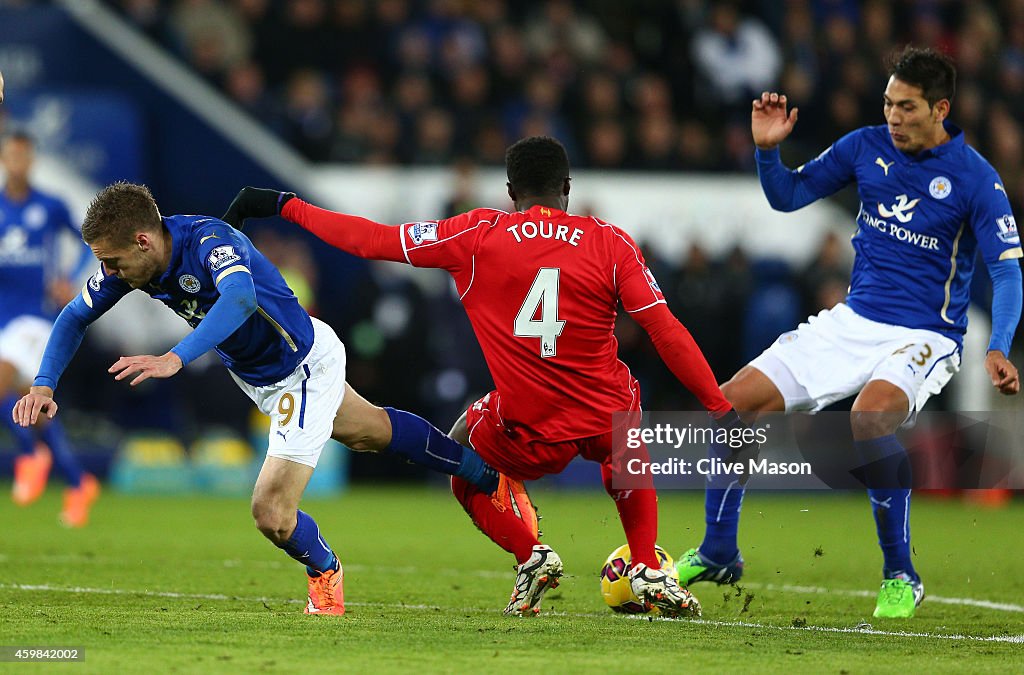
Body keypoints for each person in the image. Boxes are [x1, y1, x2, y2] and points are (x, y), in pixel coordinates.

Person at [221, 136, 745, 618]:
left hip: (528, 423)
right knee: (623, 415)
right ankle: (648, 568)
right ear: (567, 188)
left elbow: (371, 241)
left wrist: (286, 204)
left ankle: (530, 554)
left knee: (462, 455)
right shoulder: (611, 243)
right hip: (602, 415)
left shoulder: (477, 234)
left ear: (511, 191)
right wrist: (719, 408)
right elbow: (664, 329)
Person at [12, 182, 501, 616]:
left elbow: (240, 298)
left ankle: (325, 573)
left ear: (142, 240)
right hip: (259, 376)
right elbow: (75, 316)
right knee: (372, 431)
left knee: (271, 512)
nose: (107, 270)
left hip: (300, 367)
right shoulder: (132, 265)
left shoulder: (208, 240)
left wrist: (176, 358)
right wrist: (43, 384)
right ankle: (484, 473)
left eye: (111, 260)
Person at [674, 46, 1022, 619]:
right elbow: (787, 196)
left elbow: (1007, 270)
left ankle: (901, 575)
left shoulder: (976, 179)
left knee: (869, 418)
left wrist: (999, 345)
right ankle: (717, 551)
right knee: (731, 403)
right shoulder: (864, 146)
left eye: (907, 108)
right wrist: (768, 152)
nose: (894, 118)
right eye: (888, 104)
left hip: (926, 334)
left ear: (940, 109)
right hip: (852, 321)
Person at [0, 131, 98, 526]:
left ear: (32, 160)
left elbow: (89, 241)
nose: (17, 162)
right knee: (32, 406)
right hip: (5, 317)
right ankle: (78, 482)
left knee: (2, 381)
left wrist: (69, 278)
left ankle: (29, 455)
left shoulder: (50, 205)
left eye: (24, 156)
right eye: (11, 156)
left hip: (37, 316)